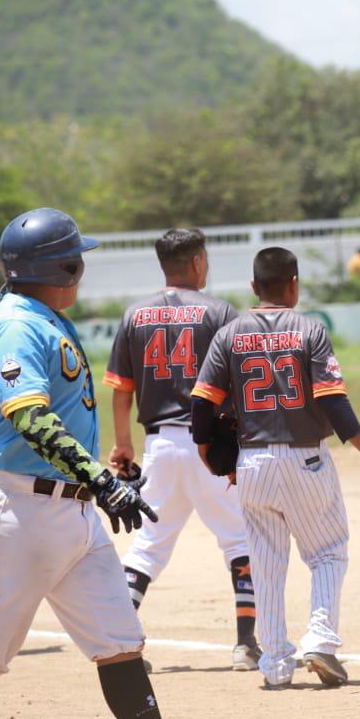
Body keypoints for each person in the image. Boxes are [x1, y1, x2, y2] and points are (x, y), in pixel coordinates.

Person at [0, 208, 253, 719]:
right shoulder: (16, 326)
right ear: (61, 266)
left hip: (70, 515)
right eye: (77, 258)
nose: (83, 267)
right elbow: (28, 416)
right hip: (21, 516)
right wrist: (97, 476)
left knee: (119, 639)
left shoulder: (42, 317)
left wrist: (95, 484)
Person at [191, 247, 360, 689]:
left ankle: (276, 665)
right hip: (305, 458)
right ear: (295, 284)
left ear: (253, 287)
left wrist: (210, 454)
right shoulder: (309, 330)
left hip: (253, 462)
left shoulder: (229, 334)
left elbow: (201, 403)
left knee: (265, 564)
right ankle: (320, 641)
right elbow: (333, 401)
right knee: (327, 552)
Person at [103, 229, 261, 672]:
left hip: (159, 444)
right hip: (209, 441)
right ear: (195, 263)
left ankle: (119, 644)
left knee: (147, 547)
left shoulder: (135, 314)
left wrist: (122, 444)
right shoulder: (219, 311)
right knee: (239, 540)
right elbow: (237, 382)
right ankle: (246, 646)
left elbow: (120, 389)